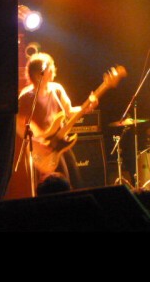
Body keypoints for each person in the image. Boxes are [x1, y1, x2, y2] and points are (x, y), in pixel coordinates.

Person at [16, 52, 98, 192]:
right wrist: (36, 142)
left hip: (60, 143)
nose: (54, 70)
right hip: (41, 151)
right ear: (39, 74)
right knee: (49, 187)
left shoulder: (57, 89)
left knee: (72, 182)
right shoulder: (26, 97)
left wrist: (86, 108)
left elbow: (69, 111)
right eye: (50, 67)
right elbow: (18, 125)